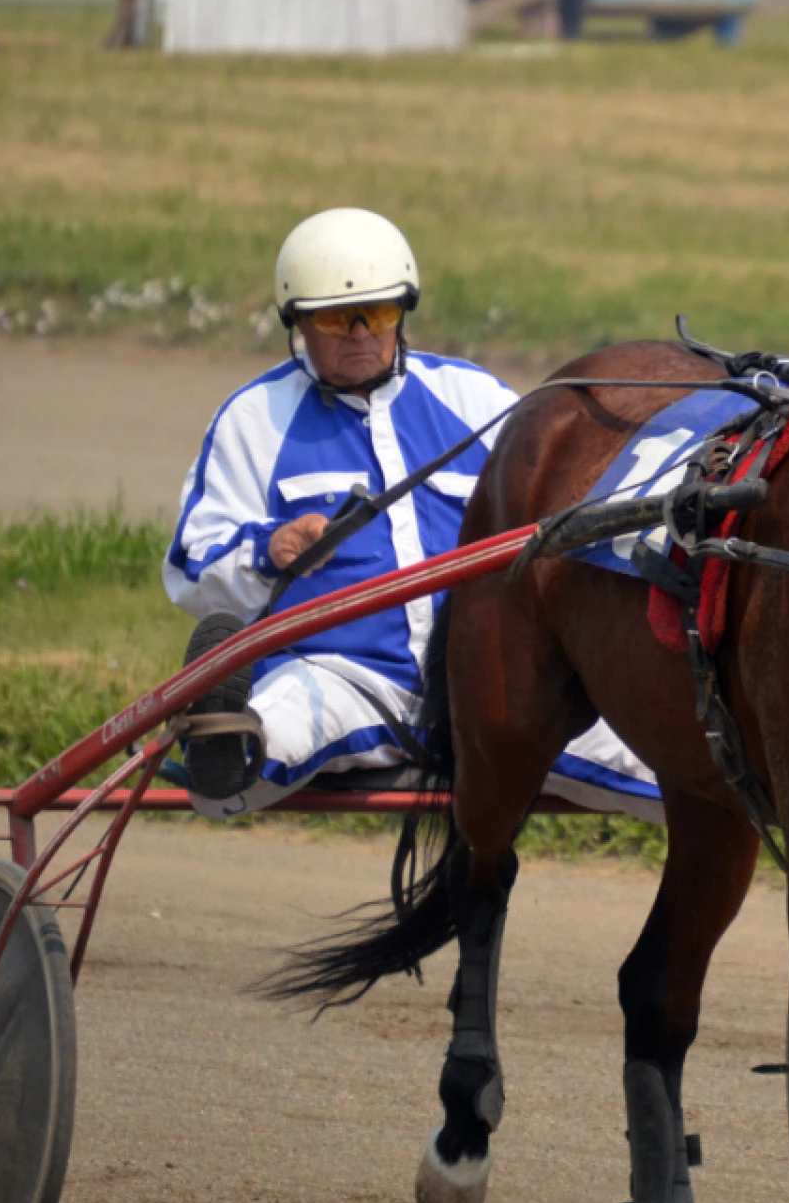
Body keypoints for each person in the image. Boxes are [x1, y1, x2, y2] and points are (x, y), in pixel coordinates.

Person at [164, 207, 660, 822]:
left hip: (491, 682)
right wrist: (268, 551)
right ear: (296, 322)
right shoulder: (253, 419)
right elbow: (190, 563)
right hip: (341, 677)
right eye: (334, 317)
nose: (359, 331)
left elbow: (565, 505)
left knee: (673, 766)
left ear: (404, 311)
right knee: (267, 740)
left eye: (379, 313)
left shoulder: (473, 398)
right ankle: (222, 748)